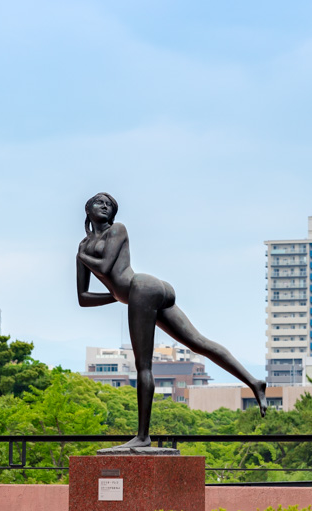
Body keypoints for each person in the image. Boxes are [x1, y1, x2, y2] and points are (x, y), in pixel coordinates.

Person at [77, 192, 267, 448]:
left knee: (143, 365)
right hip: (141, 292)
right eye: (99, 202)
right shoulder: (84, 246)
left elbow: (106, 266)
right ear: (87, 208)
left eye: (110, 204)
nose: (105, 206)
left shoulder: (117, 230)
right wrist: (119, 297)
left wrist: (85, 260)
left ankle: (143, 437)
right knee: (198, 342)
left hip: (143, 287)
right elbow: (83, 298)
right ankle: (254, 382)